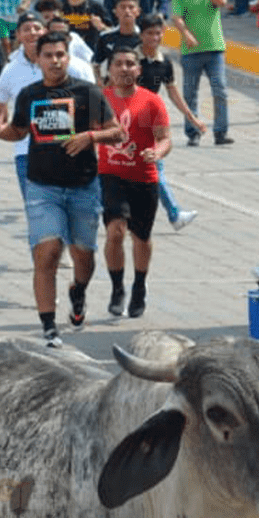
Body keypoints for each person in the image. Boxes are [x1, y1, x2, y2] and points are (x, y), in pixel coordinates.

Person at [0, 28, 122, 346]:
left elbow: (116, 132)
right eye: (48, 55)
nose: (55, 61)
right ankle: (49, 325)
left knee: (83, 256)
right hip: (42, 186)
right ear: (38, 59)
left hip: (82, 186)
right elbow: (18, 132)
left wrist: (90, 137)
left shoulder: (88, 92)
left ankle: (78, 291)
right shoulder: (29, 94)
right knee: (47, 252)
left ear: (68, 57)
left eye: (60, 55)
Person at [98, 44, 171, 318]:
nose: (124, 68)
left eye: (130, 63)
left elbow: (165, 138)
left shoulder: (151, 101)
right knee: (115, 231)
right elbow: (86, 132)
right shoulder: (100, 99)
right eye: (119, 63)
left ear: (138, 70)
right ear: (110, 69)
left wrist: (157, 152)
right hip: (110, 175)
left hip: (144, 177)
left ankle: (139, 285)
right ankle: (117, 288)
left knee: (141, 236)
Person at [131, 12, 200, 230]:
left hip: (151, 123)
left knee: (152, 167)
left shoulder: (165, 63)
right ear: (141, 35)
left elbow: (172, 92)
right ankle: (173, 214)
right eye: (150, 33)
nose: (155, 38)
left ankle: (172, 214)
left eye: (158, 33)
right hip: (128, 121)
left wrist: (191, 117)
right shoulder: (129, 61)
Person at [169, 0, 230, 146]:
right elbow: (177, 17)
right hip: (191, 51)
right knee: (190, 93)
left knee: (220, 89)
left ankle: (220, 132)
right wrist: (186, 34)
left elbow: (221, 2)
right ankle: (193, 132)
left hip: (214, 48)